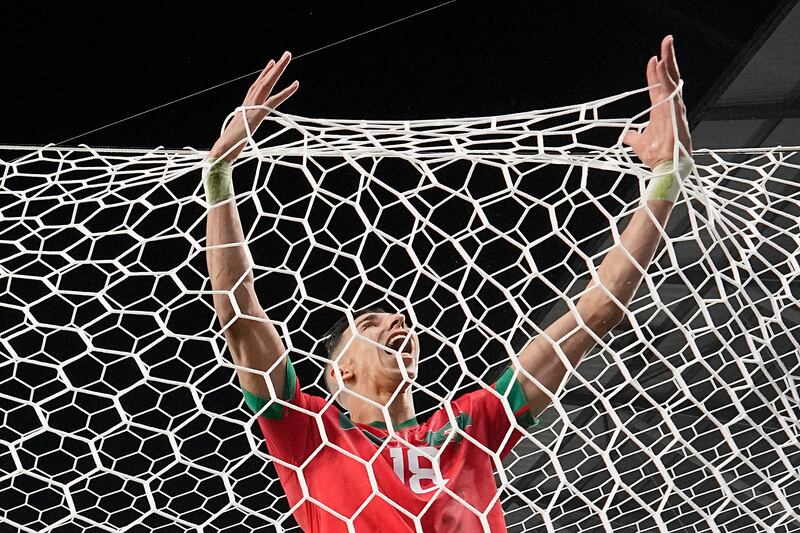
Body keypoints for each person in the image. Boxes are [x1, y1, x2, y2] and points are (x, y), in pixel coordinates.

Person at [204, 36, 693, 532]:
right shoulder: (309, 434)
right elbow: (238, 313)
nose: (398, 320)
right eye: (370, 324)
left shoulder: (473, 425)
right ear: (341, 371)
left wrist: (664, 177)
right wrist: (218, 173)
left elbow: (596, 310)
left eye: (394, 316)